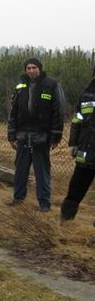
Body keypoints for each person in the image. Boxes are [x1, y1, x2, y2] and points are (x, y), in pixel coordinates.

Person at [7, 58, 64, 212]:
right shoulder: (20, 86)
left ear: (40, 68)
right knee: (20, 170)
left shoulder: (51, 85)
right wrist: (11, 135)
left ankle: (44, 204)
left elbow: (58, 112)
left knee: (42, 172)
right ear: (25, 70)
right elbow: (13, 112)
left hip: (41, 137)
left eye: (34, 68)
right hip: (23, 136)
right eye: (28, 68)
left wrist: (56, 136)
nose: (31, 71)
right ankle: (18, 198)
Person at [61, 66, 95, 223]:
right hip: (85, 154)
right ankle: (65, 221)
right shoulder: (86, 95)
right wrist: (73, 143)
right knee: (75, 191)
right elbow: (76, 121)